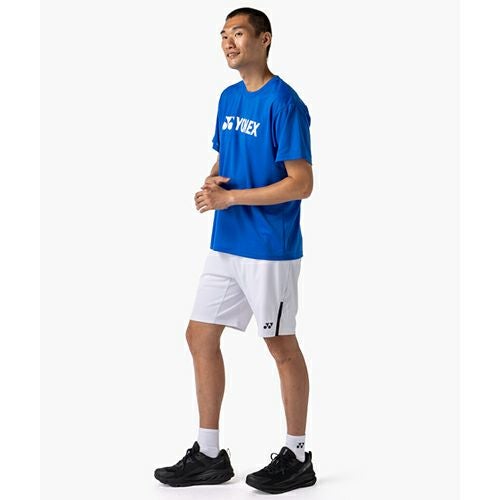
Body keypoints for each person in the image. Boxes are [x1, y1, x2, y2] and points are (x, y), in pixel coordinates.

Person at [154, 7, 316, 494]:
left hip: (269, 248)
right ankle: (209, 455)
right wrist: (213, 183)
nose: (228, 42)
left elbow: (302, 183)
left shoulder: (285, 103)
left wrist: (233, 198)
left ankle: (297, 456)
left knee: (280, 346)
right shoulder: (227, 98)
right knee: (199, 336)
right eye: (223, 34)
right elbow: (226, 156)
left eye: (238, 33)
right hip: (227, 242)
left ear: (264, 40)